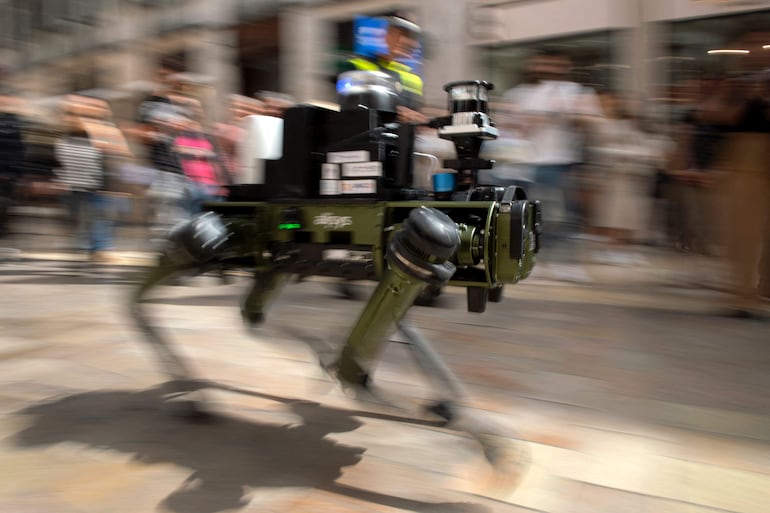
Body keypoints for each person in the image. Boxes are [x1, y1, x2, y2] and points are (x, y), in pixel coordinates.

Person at [503, 49, 603, 278]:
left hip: (562, 162)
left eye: (553, 65)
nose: (547, 70)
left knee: (565, 216)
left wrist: (568, 113)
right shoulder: (520, 93)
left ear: (564, 66)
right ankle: (532, 262)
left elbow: (592, 121)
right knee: (529, 216)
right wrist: (532, 120)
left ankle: (566, 263)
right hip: (526, 164)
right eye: (541, 64)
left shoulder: (576, 91)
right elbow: (510, 125)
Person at [339, 16, 426, 124]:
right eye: (401, 34)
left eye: (412, 38)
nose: (407, 42)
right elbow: (346, 109)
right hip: (363, 135)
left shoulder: (415, 80)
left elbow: (418, 118)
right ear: (387, 36)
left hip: (402, 138)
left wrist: (417, 119)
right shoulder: (358, 64)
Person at [0, 88, 25, 236]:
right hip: (8, 172)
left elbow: (18, 149)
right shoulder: (12, 123)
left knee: (5, 204)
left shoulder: (14, 123)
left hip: (9, 173)